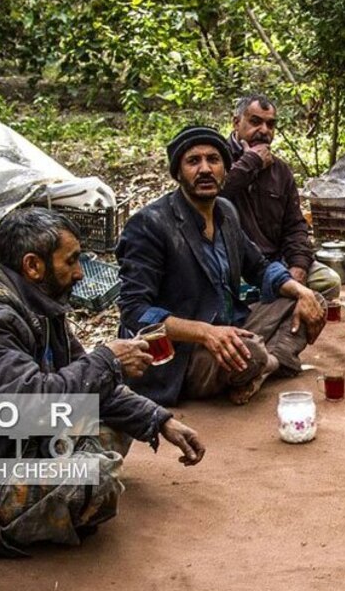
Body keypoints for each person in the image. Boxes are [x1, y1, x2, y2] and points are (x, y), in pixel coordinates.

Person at [0, 208, 205, 556]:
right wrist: (109, 359)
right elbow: (31, 406)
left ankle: (66, 471)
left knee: (117, 418)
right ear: (33, 266)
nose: (80, 273)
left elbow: (85, 375)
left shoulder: (34, 300)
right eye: (71, 261)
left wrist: (159, 419)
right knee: (92, 478)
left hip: (16, 443)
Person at [116, 125, 326, 407]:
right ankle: (266, 362)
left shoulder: (225, 211)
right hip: (180, 354)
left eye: (213, 160)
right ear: (178, 173)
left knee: (312, 301)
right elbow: (135, 311)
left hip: (230, 327)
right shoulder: (149, 224)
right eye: (193, 161)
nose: (205, 169)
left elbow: (260, 268)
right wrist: (206, 333)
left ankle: (265, 368)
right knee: (250, 352)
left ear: (225, 170)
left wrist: (302, 292)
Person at [221, 92, 341, 300]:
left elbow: (295, 225)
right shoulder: (216, 158)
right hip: (234, 265)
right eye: (255, 122)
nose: (264, 130)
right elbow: (215, 193)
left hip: (276, 261)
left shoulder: (280, 170)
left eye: (270, 124)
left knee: (328, 282)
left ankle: (282, 301)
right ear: (236, 122)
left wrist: (298, 266)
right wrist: (251, 162)